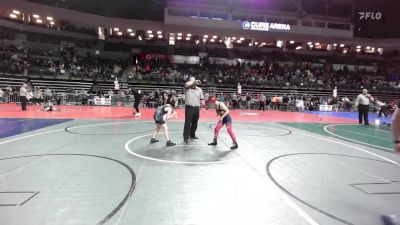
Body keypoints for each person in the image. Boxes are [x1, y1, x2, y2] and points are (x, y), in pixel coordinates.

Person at [183, 77, 205, 144]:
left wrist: (203, 105)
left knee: (195, 123)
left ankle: (192, 135)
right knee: (187, 123)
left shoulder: (199, 89)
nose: (193, 82)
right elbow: (186, 84)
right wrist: (194, 80)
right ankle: (186, 137)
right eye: (191, 81)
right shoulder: (187, 88)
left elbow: (202, 99)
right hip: (189, 108)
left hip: (196, 108)